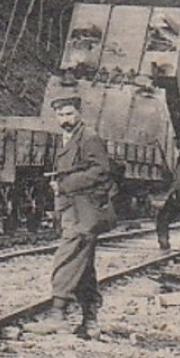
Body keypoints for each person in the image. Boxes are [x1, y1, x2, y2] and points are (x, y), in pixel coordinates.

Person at [37, 94, 115, 340]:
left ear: (79, 113)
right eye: (60, 115)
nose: (65, 119)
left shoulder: (89, 137)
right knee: (83, 265)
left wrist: (65, 184)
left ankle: (57, 315)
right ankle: (90, 320)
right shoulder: (67, 137)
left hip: (85, 211)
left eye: (69, 114)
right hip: (73, 209)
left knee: (67, 257)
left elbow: (101, 171)